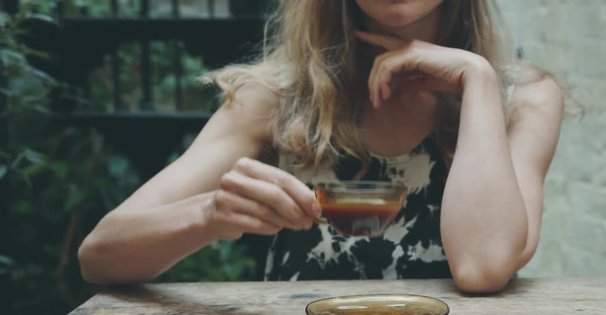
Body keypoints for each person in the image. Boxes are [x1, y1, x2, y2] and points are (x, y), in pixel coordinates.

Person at [78, 0, 564, 293]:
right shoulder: (275, 97)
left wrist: (475, 78)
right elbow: (99, 256)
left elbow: (483, 268)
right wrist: (210, 215)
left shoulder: (521, 99)